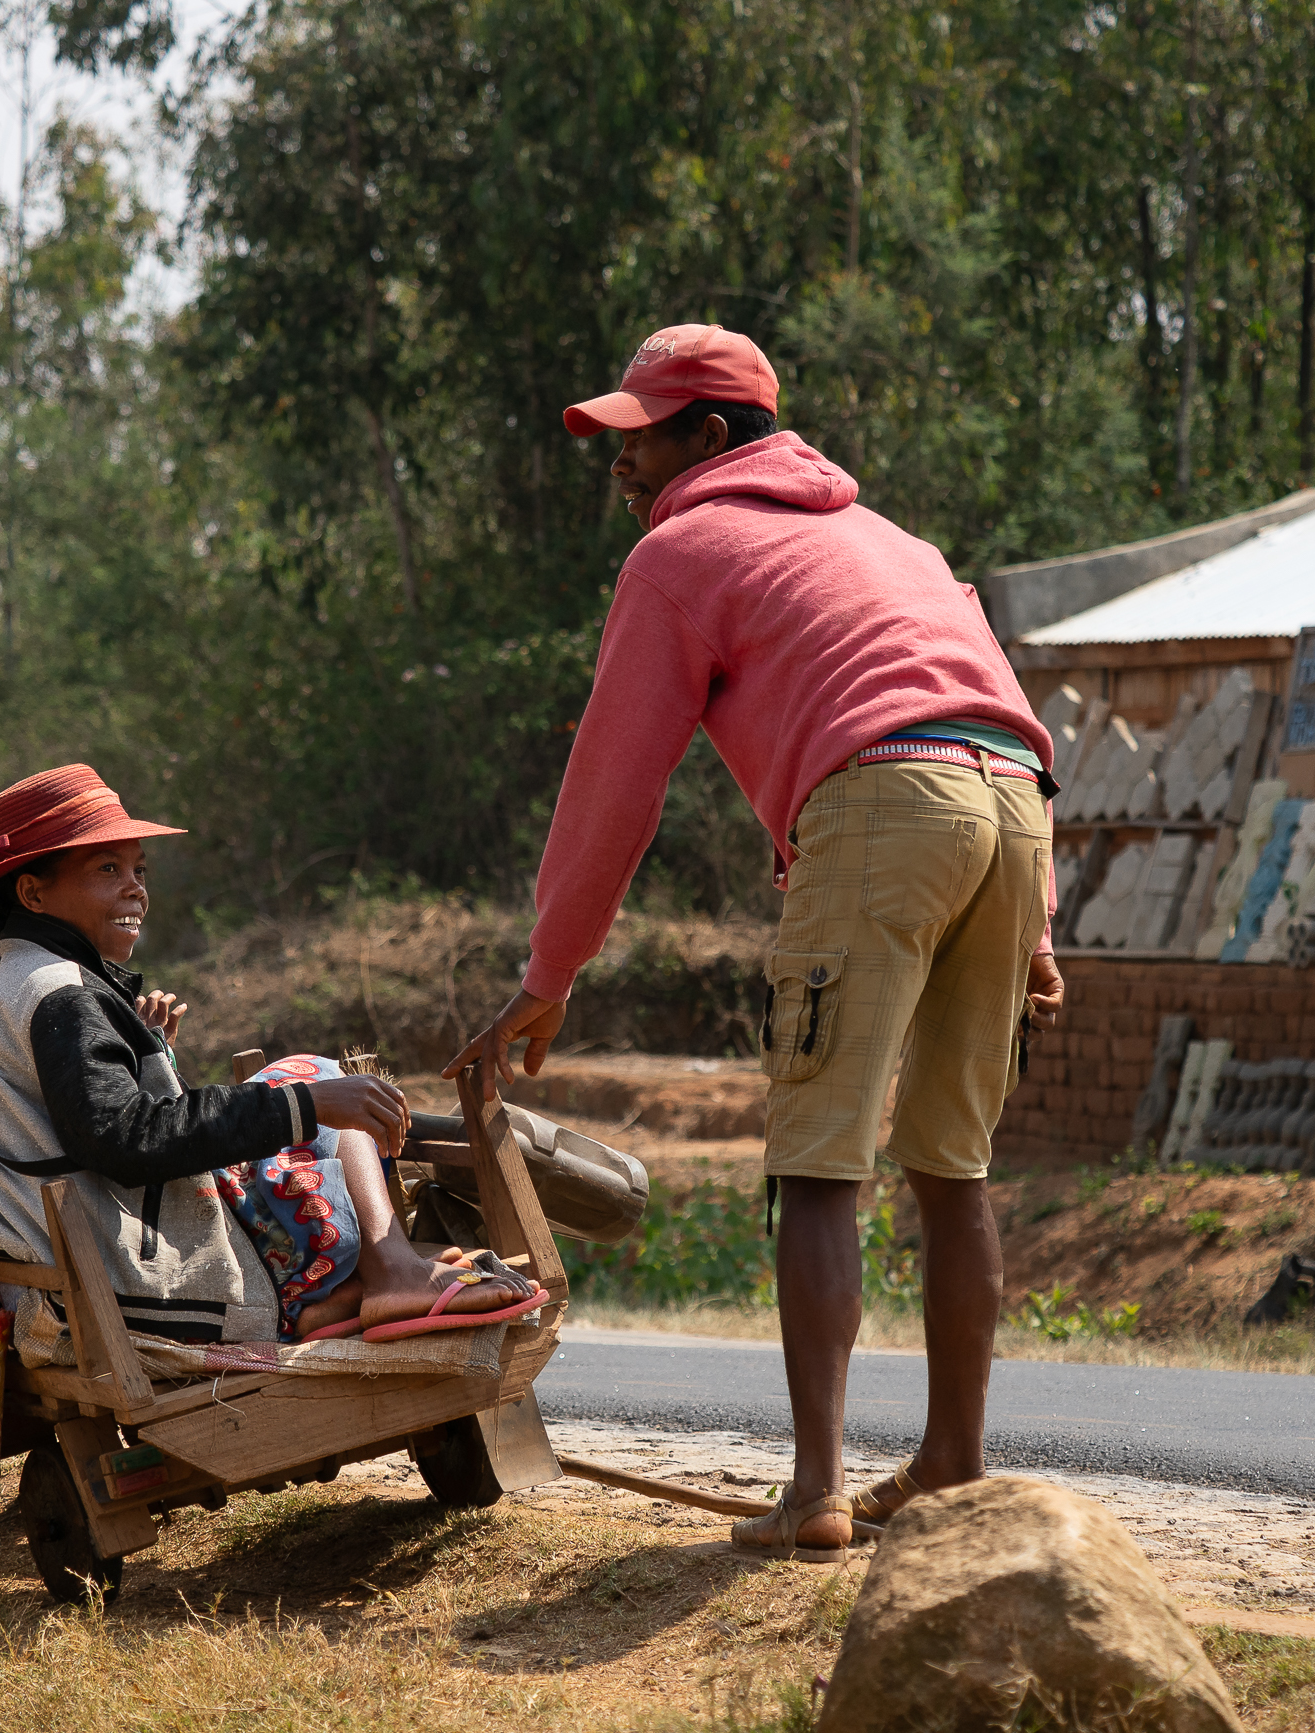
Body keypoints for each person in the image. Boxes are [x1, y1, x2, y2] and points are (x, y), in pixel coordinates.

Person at [446, 324, 1066, 1562]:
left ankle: (818, 1488)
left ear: (712, 438)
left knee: (815, 1163)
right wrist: (1036, 928)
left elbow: (613, 781)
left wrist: (548, 973)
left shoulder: (684, 548)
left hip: (884, 803)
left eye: (640, 436)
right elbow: (1000, 712)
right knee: (952, 1165)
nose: (618, 463)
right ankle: (951, 1461)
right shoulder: (894, 539)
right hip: (1012, 806)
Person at [0, 764, 543, 1352]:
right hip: (116, 1277)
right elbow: (122, 1141)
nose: (135, 888)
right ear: (34, 893)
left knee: (298, 1089)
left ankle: (362, 1280)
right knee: (311, 1077)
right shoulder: (59, 994)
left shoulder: (6, 983)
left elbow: (85, 1120)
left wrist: (146, 1055)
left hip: (48, 1263)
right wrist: (308, 1105)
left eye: (139, 870)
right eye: (108, 870)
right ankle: (387, 1272)